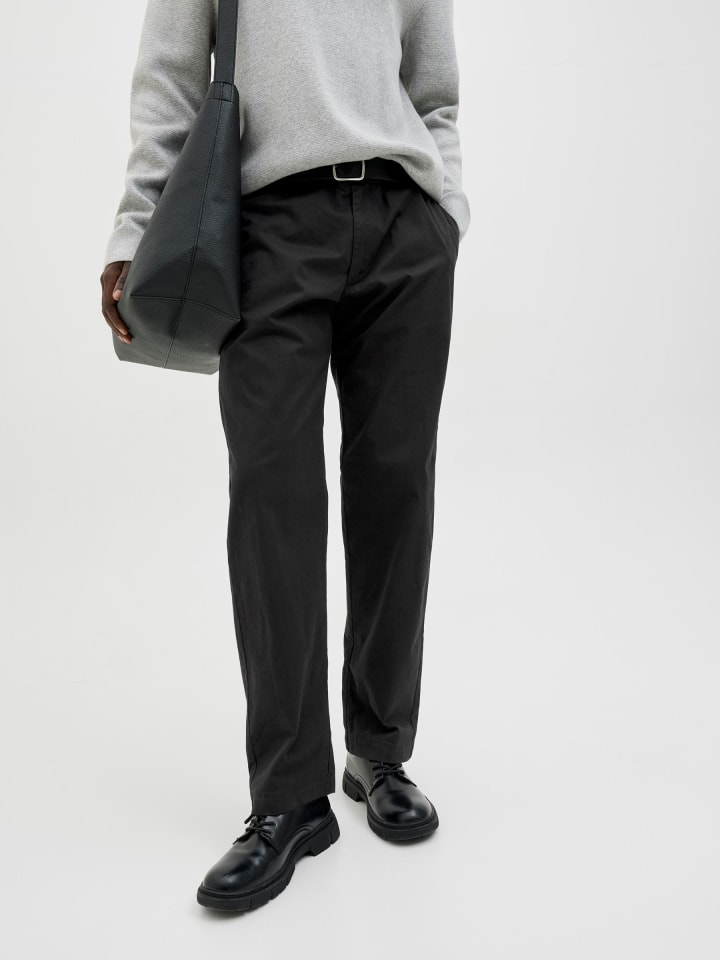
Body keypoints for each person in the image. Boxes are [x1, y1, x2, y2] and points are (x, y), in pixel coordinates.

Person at [100, 0, 470, 913]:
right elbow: (168, 84)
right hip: (267, 226)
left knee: (396, 491)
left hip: (404, 225)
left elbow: (434, 89)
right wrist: (135, 227)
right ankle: (291, 797)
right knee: (272, 496)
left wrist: (446, 207)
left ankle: (378, 751)